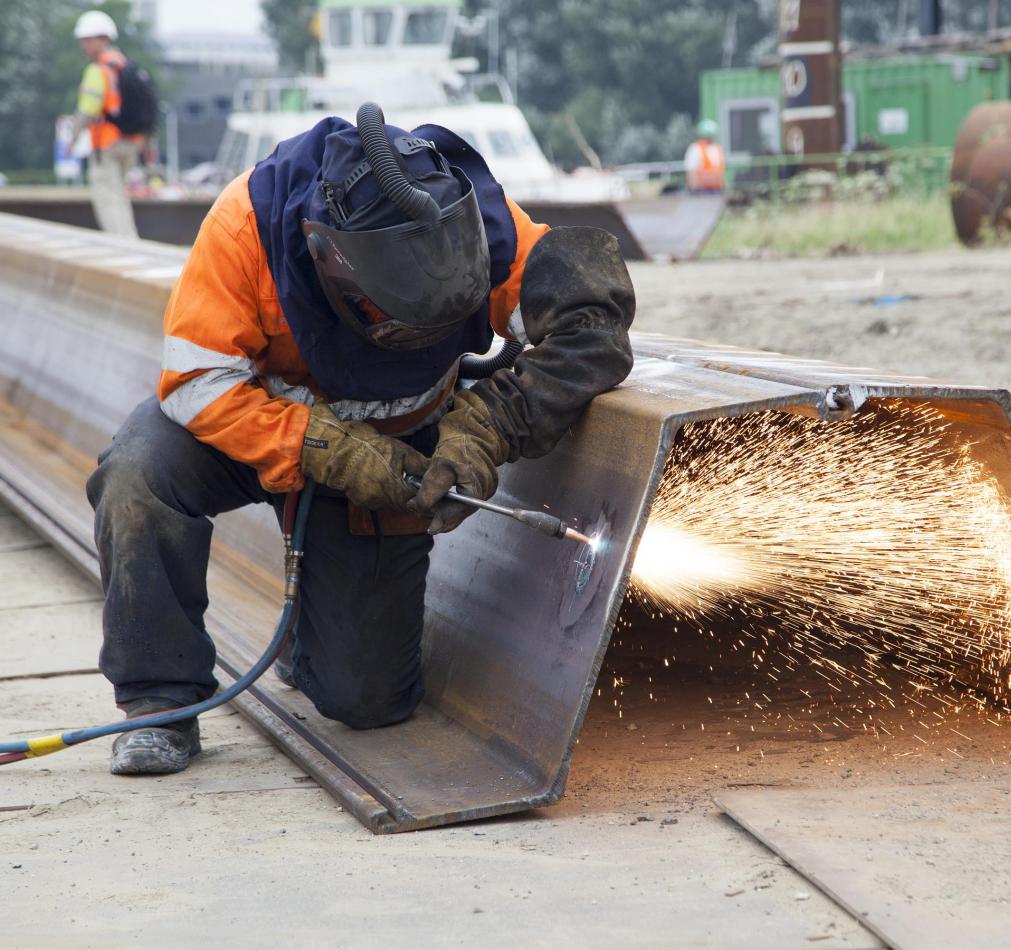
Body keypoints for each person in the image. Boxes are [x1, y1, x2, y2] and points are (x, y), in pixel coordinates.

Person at [85, 103, 636, 775]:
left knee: (368, 700)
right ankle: (159, 700)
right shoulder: (247, 226)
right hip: (242, 428)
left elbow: (590, 324)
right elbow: (196, 380)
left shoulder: (474, 221)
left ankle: (311, 637)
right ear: (332, 263)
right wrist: (325, 447)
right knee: (138, 472)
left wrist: (485, 428)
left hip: (397, 453)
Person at [72, 10, 142, 238]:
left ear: (100, 39)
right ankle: (131, 241)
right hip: (131, 141)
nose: (84, 45)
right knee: (119, 194)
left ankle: (121, 244)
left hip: (107, 142)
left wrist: (72, 138)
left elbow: (88, 110)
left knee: (107, 195)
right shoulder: (125, 65)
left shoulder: (97, 70)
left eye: (87, 40)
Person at [684, 119, 726, 194]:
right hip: (701, 191)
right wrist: (694, 190)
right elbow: (691, 171)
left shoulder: (717, 149)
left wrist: (723, 186)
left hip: (717, 190)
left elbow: (720, 172)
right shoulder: (695, 149)